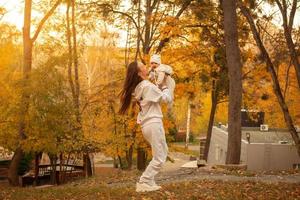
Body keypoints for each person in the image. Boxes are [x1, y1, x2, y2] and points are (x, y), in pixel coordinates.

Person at [119, 61, 172, 192]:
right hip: (153, 123)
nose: (146, 67)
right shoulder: (146, 86)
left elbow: (154, 92)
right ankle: (144, 181)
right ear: (139, 73)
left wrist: (157, 78)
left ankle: (149, 182)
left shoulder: (140, 87)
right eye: (143, 67)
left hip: (147, 125)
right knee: (160, 157)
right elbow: (166, 99)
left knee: (162, 153)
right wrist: (165, 86)